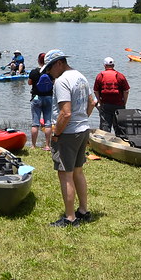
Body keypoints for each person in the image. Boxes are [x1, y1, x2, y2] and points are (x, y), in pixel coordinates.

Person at [42, 49, 95, 227]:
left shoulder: (61, 81)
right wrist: (84, 120)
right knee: (78, 171)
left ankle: (70, 217)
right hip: (83, 129)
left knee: (65, 174)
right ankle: (83, 210)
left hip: (68, 133)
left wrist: (56, 134)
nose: (49, 73)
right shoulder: (81, 76)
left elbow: (65, 113)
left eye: (49, 68)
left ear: (59, 63)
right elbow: (92, 102)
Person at [93, 57, 130, 133]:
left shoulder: (100, 76)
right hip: (119, 105)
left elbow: (95, 91)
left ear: (104, 65)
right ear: (113, 65)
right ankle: (120, 142)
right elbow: (126, 91)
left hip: (105, 105)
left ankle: (104, 143)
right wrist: (124, 103)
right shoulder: (120, 76)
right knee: (120, 128)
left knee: (105, 127)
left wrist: (100, 102)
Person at [27, 53, 54, 151]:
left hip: (36, 98)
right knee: (48, 122)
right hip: (48, 97)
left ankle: (33, 146)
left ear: (38, 60)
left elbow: (29, 83)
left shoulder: (34, 72)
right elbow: (54, 83)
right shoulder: (50, 72)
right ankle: (47, 145)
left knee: (35, 123)